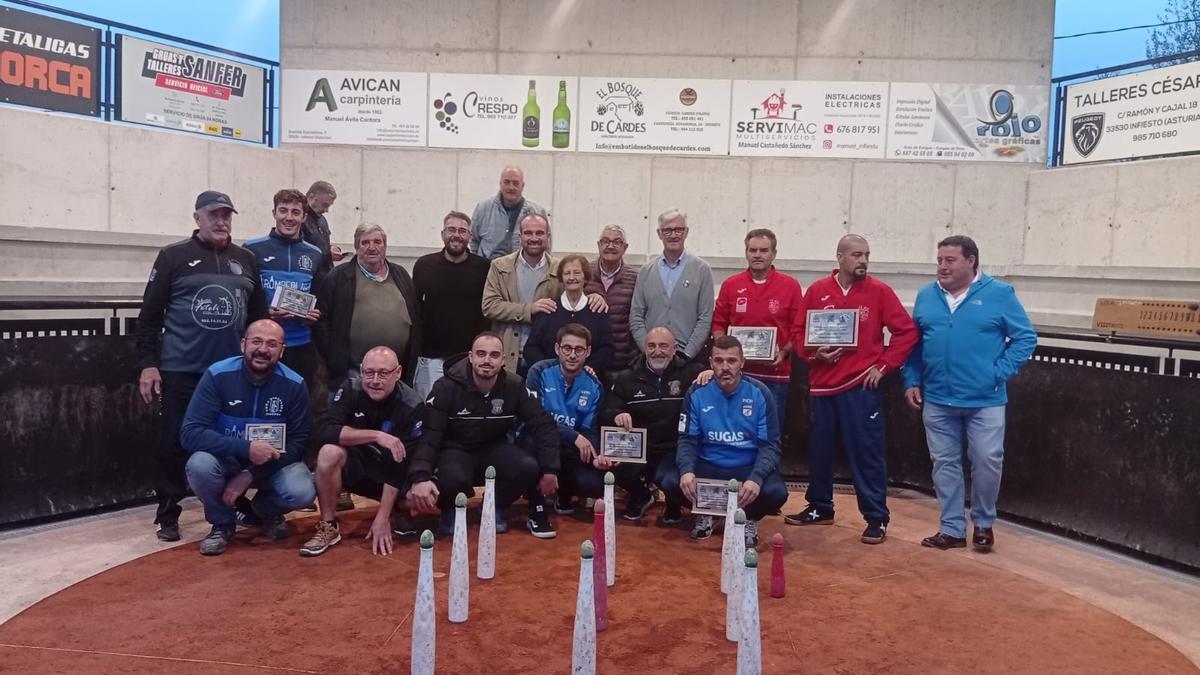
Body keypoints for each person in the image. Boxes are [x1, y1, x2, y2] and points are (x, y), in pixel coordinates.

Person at [135, 189, 266, 542]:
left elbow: (258, 317)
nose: (221, 221)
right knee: (173, 442)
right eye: (213, 215)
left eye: (226, 215)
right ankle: (167, 512)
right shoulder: (173, 256)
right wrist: (149, 364)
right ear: (197, 218)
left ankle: (233, 504)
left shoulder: (246, 259)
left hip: (232, 373)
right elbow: (148, 318)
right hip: (182, 369)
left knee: (229, 442)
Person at [903, 236, 1037, 552]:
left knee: (987, 460)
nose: (942, 266)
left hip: (985, 401)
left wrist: (997, 372)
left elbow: (1025, 339)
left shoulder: (1000, 294)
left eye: (950, 260)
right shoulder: (926, 296)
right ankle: (951, 528)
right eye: (939, 260)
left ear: (971, 261)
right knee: (944, 464)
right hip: (937, 399)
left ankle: (984, 523)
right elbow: (915, 345)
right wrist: (911, 379)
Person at [784, 234, 917, 546]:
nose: (863, 261)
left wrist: (883, 366)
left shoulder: (880, 291)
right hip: (821, 387)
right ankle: (819, 507)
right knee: (819, 451)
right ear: (840, 258)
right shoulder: (817, 291)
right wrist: (814, 354)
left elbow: (906, 332)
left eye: (867, 255)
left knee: (866, 452)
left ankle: (876, 518)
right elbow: (799, 332)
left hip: (860, 387)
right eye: (857, 254)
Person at [180, 320, 316, 556]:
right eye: (256, 341)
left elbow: (298, 443)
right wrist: (246, 448)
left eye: (272, 344)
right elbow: (190, 433)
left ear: (282, 351)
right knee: (199, 465)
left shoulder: (295, 385)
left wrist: (249, 475)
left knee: (302, 491)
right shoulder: (217, 375)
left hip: (272, 464)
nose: (263, 349)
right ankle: (222, 523)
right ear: (243, 345)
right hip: (227, 461)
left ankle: (266, 509)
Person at [405, 332, 559, 538]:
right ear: (470, 356)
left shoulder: (515, 386)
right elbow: (430, 435)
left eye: (494, 355)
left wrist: (550, 469)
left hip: (494, 448)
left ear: (503, 360)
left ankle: (493, 505)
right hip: (455, 449)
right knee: (453, 477)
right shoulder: (446, 387)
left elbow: (543, 425)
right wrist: (420, 476)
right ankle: (450, 508)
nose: (487, 360)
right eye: (481, 354)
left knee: (527, 467)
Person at [659, 335, 788, 548]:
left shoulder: (760, 393)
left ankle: (748, 517)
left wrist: (756, 478)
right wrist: (687, 471)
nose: (725, 367)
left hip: (745, 467)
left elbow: (770, 445)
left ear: (742, 363)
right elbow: (687, 439)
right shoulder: (697, 392)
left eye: (732, 361)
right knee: (670, 479)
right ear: (710, 363)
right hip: (708, 465)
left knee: (776, 493)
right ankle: (707, 512)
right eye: (718, 361)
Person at [301, 346, 426, 557]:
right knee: (328, 452)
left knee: (421, 497)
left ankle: (397, 509)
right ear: (361, 370)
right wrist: (377, 436)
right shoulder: (350, 388)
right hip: (360, 466)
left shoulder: (412, 405)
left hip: (393, 473)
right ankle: (329, 526)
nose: (375, 380)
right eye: (369, 372)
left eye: (383, 373)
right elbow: (325, 431)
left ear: (398, 373)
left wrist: (382, 517)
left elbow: (399, 465)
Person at [603, 326, 706, 523]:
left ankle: (673, 503)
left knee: (670, 479)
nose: (657, 351)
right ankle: (640, 495)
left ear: (674, 348)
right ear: (644, 348)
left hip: (675, 448)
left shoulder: (692, 372)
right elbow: (608, 408)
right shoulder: (627, 377)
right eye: (651, 346)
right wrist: (618, 414)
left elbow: (714, 382)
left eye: (663, 346)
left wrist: (709, 373)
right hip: (640, 448)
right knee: (611, 463)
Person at [712, 228, 804, 424]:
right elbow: (718, 323)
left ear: (774, 254)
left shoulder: (790, 285)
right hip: (738, 374)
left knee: (769, 431)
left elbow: (798, 329)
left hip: (776, 375)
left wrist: (784, 352)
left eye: (763, 250)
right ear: (746, 252)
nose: (757, 255)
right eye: (752, 250)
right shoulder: (731, 285)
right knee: (735, 428)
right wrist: (727, 350)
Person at [314, 223, 421, 388]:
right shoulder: (339, 276)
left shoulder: (400, 274)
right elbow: (322, 320)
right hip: (353, 372)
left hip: (395, 371)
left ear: (385, 246)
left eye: (377, 242)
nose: (372, 247)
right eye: (365, 242)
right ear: (357, 247)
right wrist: (333, 355)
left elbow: (415, 313)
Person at [525, 323, 607, 533]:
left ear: (587, 352)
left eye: (578, 350)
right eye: (567, 348)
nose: (572, 355)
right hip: (537, 440)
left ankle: (564, 495)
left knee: (595, 481)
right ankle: (537, 510)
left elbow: (588, 430)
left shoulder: (594, 386)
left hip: (568, 446)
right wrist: (574, 436)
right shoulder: (539, 372)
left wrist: (597, 454)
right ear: (557, 349)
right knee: (534, 447)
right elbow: (536, 419)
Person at [244, 189, 324, 387]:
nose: (289, 217)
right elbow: (244, 299)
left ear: (304, 216)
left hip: (300, 346)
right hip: (262, 346)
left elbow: (319, 297)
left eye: (295, 212)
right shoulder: (252, 249)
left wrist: (313, 315)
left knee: (297, 407)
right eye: (283, 210)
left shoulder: (315, 254)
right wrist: (265, 313)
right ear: (274, 214)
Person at [412, 211, 491, 399]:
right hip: (430, 357)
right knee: (427, 409)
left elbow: (488, 311)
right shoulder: (424, 265)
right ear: (442, 234)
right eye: (451, 229)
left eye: (462, 231)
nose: (456, 235)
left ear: (470, 237)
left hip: (468, 358)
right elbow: (414, 308)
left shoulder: (484, 268)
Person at [629, 208, 714, 361]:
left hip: (688, 359)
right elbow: (636, 316)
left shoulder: (702, 270)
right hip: (652, 360)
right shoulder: (646, 272)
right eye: (667, 230)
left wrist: (687, 355)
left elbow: (705, 317)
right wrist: (649, 351)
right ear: (659, 234)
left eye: (678, 230)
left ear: (686, 232)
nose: (673, 235)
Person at [481, 213, 561, 374]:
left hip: (545, 359)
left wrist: (595, 295)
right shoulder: (499, 266)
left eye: (539, 233)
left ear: (548, 236)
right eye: (528, 233)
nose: (534, 238)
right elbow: (489, 306)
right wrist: (528, 310)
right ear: (520, 236)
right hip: (507, 356)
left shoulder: (560, 270)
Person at [523, 255, 614, 377]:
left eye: (577, 273)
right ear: (561, 277)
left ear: (586, 277)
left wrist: (591, 368)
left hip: (588, 380)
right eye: (567, 273)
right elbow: (531, 348)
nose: (572, 278)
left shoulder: (597, 310)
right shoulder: (548, 309)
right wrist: (549, 370)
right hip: (550, 380)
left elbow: (607, 348)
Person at [584, 225, 640, 371]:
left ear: (625, 247)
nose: (610, 246)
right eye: (606, 241)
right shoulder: (583, 274)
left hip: (623, 364)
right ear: (598, 245)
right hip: (588, 362)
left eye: (617, 242)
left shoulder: (635, 278)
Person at [469, 165, 547, 260]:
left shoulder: (537, 212)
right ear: (500, 183)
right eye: (507, 182)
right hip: (487, 270)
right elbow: (473, 240)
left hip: (522, 270)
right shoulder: (482, 209)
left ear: (522, 186)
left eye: (515, 183)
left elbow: (546, 246)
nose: (511, 187)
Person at [302, 180, 342, 273]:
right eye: (324, 205)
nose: (327, 210)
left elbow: (320, 244)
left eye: (329, 206)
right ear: (311, 197)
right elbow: (299, 251)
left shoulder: (322, 220)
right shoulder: (299, 220)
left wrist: (332, 248)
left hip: (325, 276)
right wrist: (328, 255)